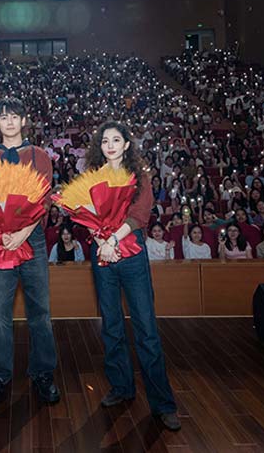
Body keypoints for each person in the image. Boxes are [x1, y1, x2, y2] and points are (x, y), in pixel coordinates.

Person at [82, 121, 181, 430]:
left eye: (116, 140)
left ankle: (162, 404)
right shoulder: (92, 178)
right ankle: (122, 388)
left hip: (132, 252)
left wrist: (112, 239)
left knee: (145, 329)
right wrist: (101, 241)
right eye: (105, 141)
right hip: (103, 255)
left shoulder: (139, 177)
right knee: (111, 327)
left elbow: (140, 215)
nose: (110, 145)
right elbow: (83, 213)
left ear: (126, 145)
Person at [0, 98, 60, 408]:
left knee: (40, 312)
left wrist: (22, 233)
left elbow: (45, 199)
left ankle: (43, 373)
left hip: (32, 238)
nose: (9, 121)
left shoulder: (39, 155)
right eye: (3, 117)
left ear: (24, 121)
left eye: (15, 117)